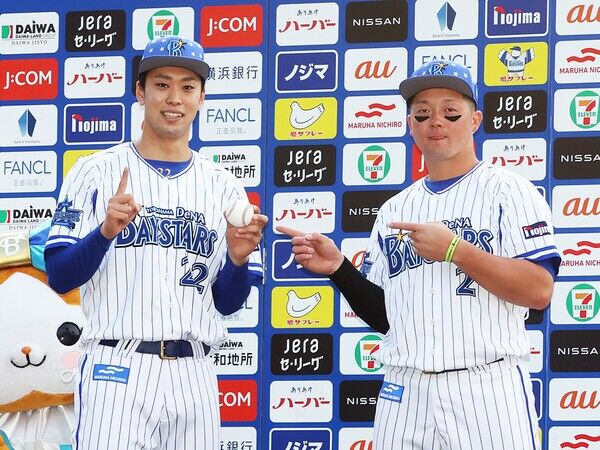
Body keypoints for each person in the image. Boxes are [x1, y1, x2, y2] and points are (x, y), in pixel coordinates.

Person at [278, 59, 560, 450]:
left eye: (450, 112)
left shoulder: (509, 191)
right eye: (423, 114)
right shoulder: (394, 209)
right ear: (411, 125)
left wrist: (456, 250)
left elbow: (539, 290)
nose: (436, 122)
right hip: (405, 389)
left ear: (475, 120)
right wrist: (339, 269)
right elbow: (386, 317)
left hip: (486, 385)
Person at [44, 36, 268, 450]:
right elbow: (59, 275)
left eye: (188, 87)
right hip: (117, 365)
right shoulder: (95, 172)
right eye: (162, 84)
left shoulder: (224, 186)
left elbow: (227, 303)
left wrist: (237, 261)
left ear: (201, 98)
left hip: (195, 372)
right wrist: (105, 232)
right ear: (140, 91)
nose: (174, 98)